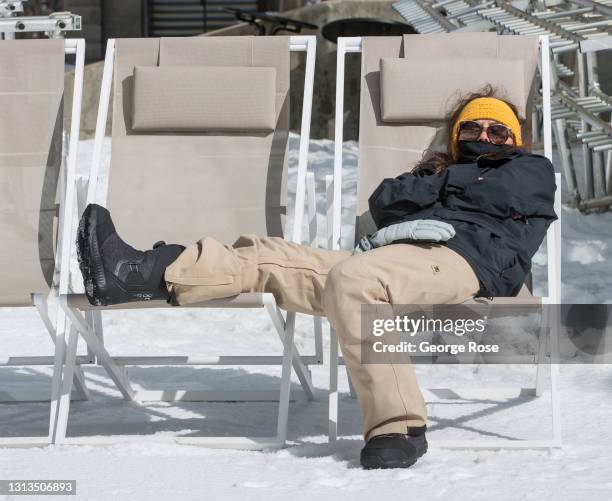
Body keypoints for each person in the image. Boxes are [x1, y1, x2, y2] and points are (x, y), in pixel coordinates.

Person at [76, 87, 558, 470]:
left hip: (467, 261)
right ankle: (135, 273)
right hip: (393, 263)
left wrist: (448, 175)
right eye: (471, 128)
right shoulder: (437, 174)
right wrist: (450, 173)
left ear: (514, 141)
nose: (484, 136)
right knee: (268, 255)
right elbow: (385, 200)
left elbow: (503, 193)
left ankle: (397, 426)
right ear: (454, 138)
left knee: (354, 278)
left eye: (498, 131)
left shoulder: (530, 168)